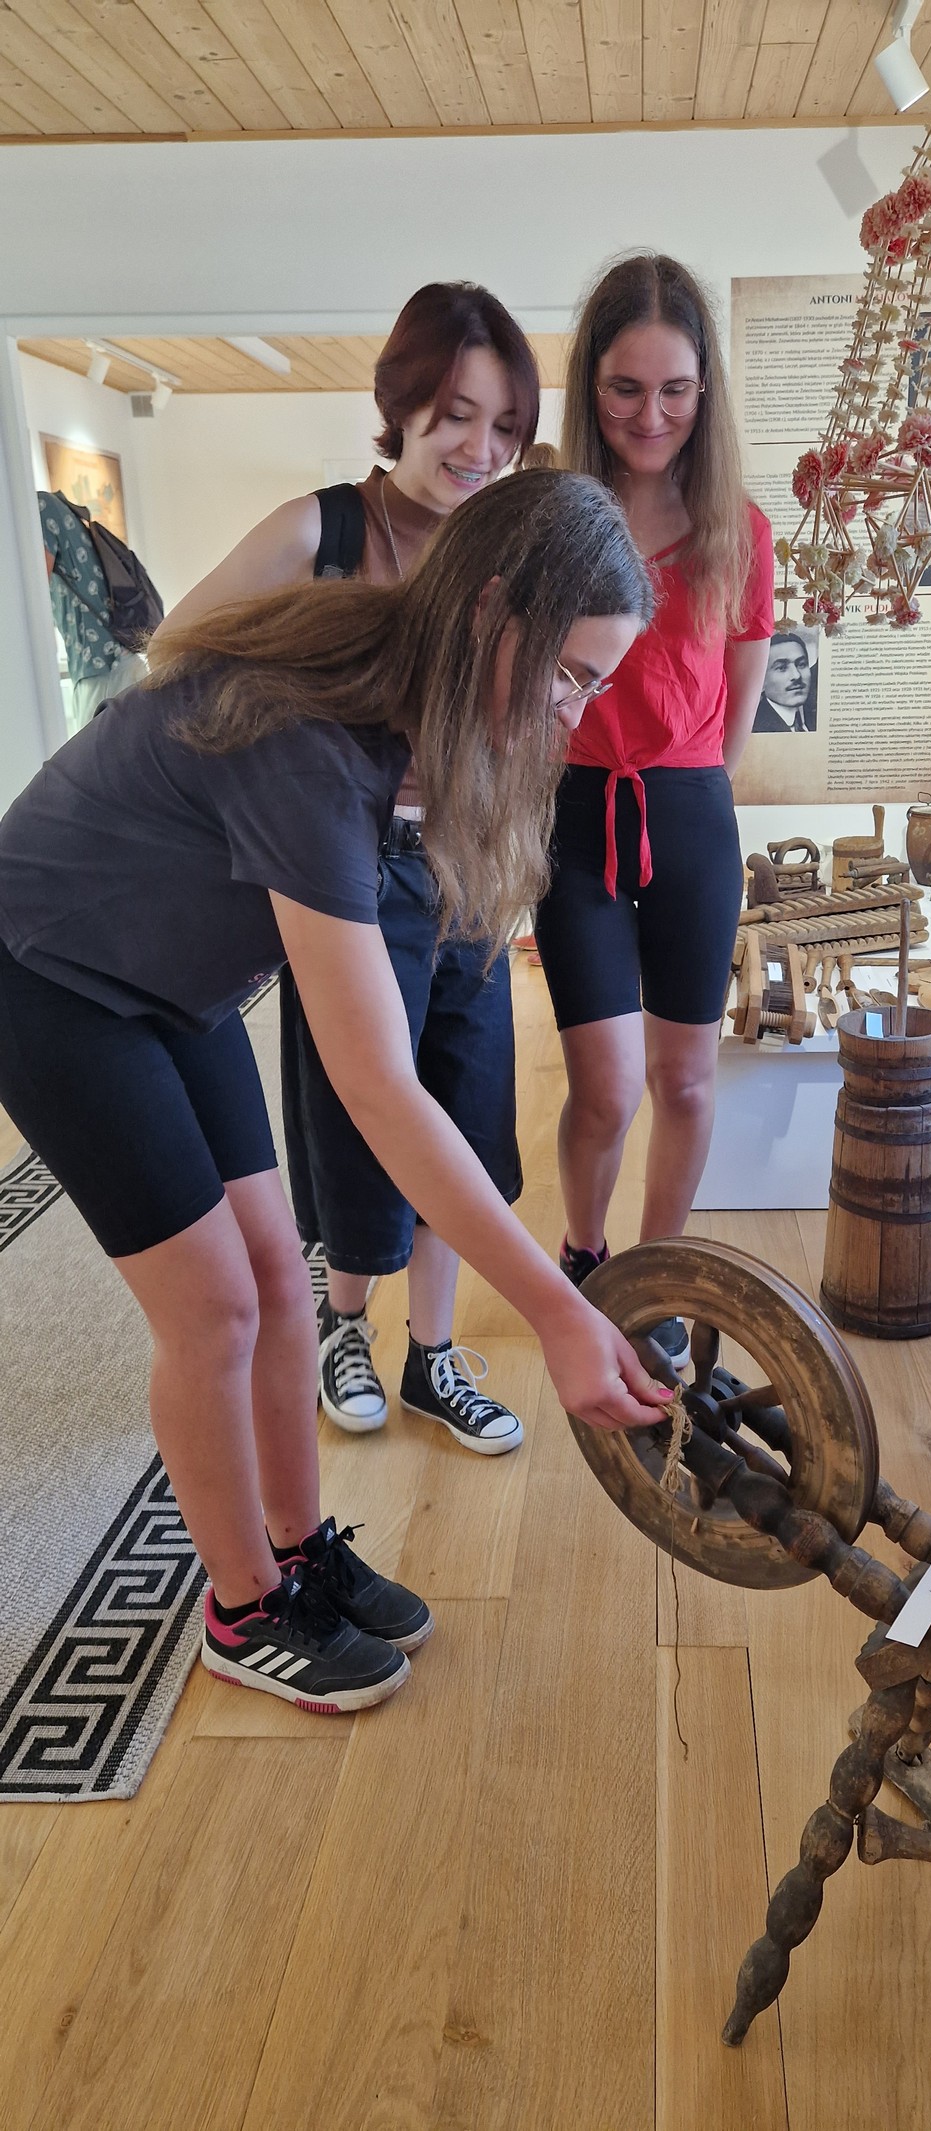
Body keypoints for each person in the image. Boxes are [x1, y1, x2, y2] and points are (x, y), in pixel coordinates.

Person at [0, 471, 670, 1716]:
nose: (574, 715)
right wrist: (556, 1308)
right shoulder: (306, 739)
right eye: (572, 675)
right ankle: (241, 1607)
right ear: (491, 615)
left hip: (175, 984)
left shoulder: (403, 691)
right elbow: (378, 1089)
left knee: (277, 1275)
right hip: (44, 973)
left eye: (596, 685)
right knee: (214, 1309)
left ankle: (298, 1551)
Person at [158, 284, 540, 1456]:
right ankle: (345, 1327)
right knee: (362, 1111)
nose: (479, 449)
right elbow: (176, 656)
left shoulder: (500, 552)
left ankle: (433, 1356)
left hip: (468, 863)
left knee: (464, 1110)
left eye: (504, 426)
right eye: (455, 415)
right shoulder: (316, 533)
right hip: (348, 876)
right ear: (401, 403)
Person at [534, 255, 775, 1367]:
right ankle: (587, 1257)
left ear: (704, 388)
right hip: (575, 812)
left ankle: (661, 1273)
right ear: (591, 386)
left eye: (675, 389)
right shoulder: (554, 525)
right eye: (626, 388)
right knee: (605, 1085)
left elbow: (740, 700)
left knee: (683, 1075)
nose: (651, 414)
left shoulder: (740, 530)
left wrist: (693, 795)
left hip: (687, 815)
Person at [39, 491, 149, 727]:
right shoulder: (62, 510)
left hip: (99, 668)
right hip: (125, 660)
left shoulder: (41, 508)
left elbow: (33, 593)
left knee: (88, 750)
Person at [752, 628, 818, 733]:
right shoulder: (754, 726)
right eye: (782, 668)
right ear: (762, 679)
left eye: (801, 664)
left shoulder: (815, 714)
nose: (796, 676)